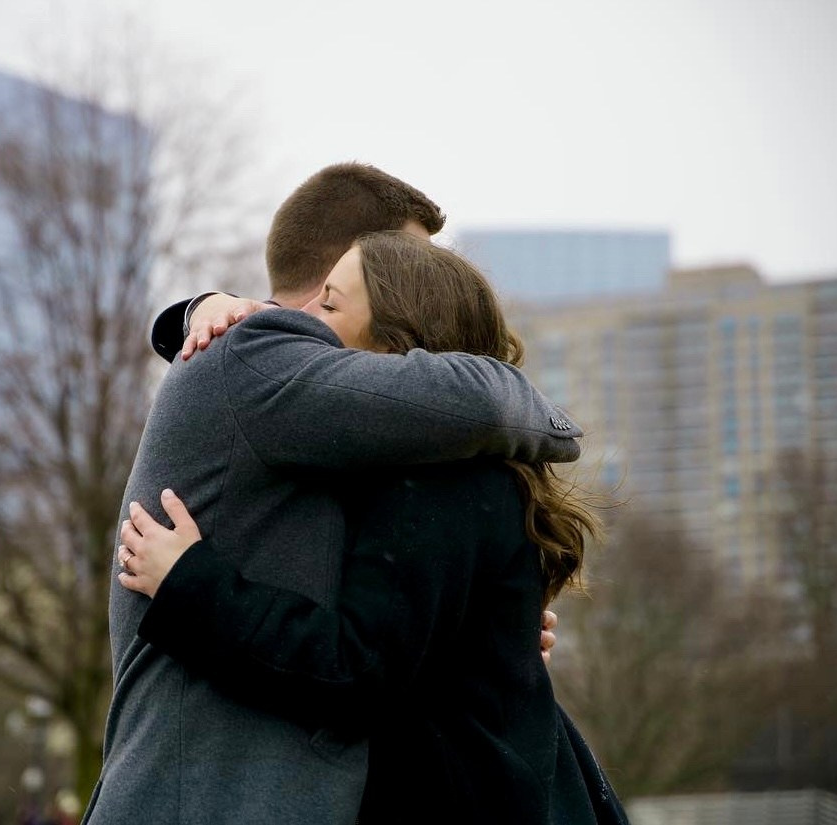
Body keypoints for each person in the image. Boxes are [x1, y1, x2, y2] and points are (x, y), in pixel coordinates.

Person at [80, 164, 584, 825]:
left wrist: (477, 630)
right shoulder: (257, 353)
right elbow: (486, 403)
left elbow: (373, 632)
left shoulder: (341, 422)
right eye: (408, 259)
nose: (427, 275)